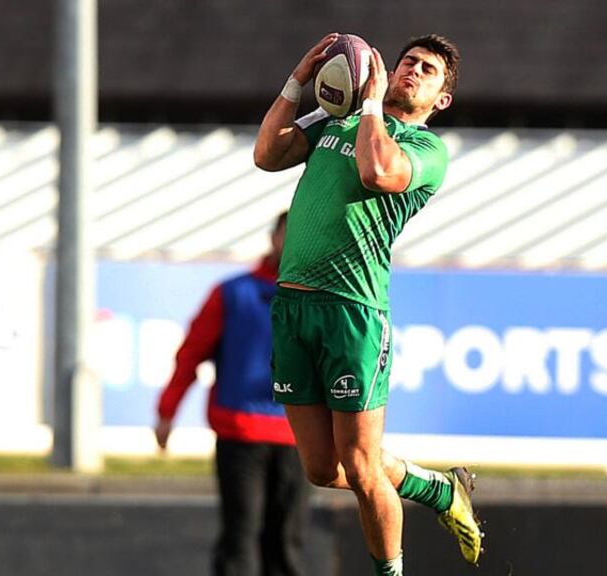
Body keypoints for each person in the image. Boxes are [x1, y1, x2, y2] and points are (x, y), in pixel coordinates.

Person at [253, 33, 480, 576]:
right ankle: (437, 488)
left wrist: (373, 104)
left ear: (440, 100)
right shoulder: (339, 119)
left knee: (359, 466)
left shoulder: (426, 150)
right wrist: (297, 82)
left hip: (353, 311)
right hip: (293, 307)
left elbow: (379, 173)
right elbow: (267, 154)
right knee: (320, 469)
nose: (413, 71)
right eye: (408, 62)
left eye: (428, 71)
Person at [154, 211, 309, 576]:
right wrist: (166, 412)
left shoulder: (323, 299)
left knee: (286, 543)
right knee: (239, 539)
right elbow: (190, 354)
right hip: (241, 435)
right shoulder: (231, 294)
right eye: (288, 234)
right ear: (273, 238)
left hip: (300, 436)